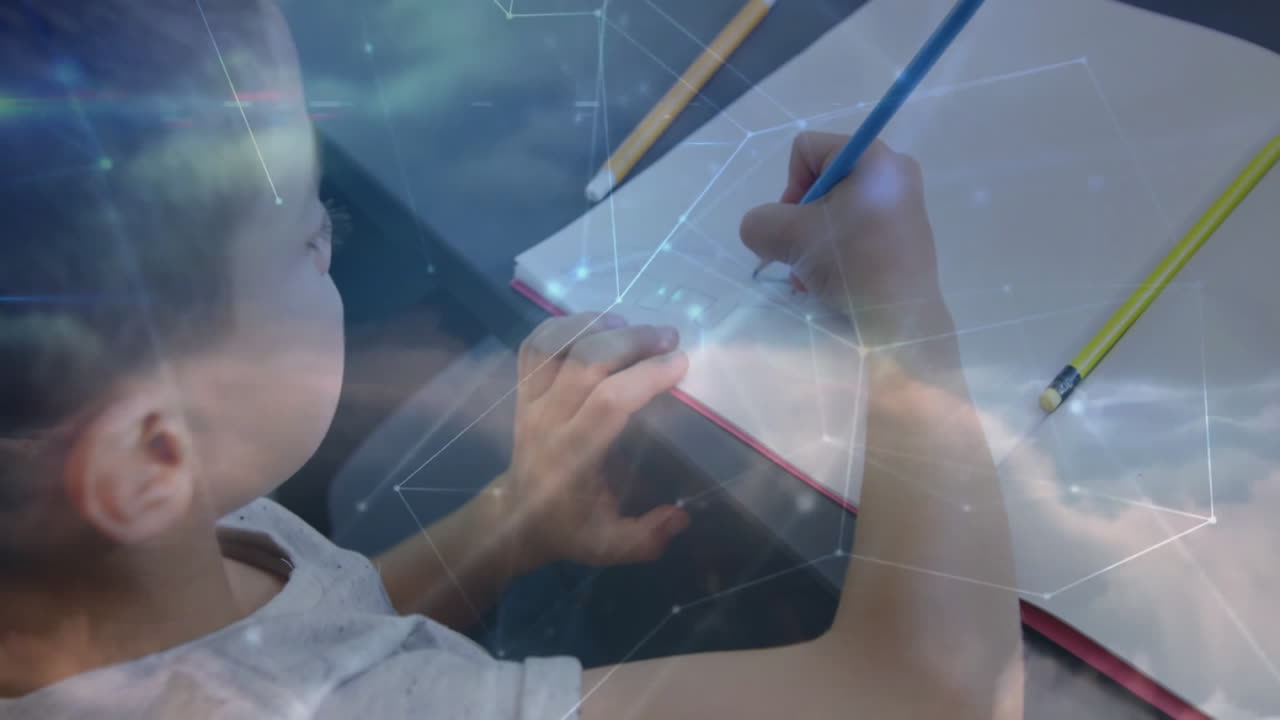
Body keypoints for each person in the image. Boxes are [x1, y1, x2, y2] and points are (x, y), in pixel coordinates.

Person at [0, 1, 1023, 717]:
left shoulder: (89, 528)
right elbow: (932, 698)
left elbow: (299, 639)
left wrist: (507, 525)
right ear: (148, 460)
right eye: (312, 232)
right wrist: (903, 316)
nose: (328, 238)